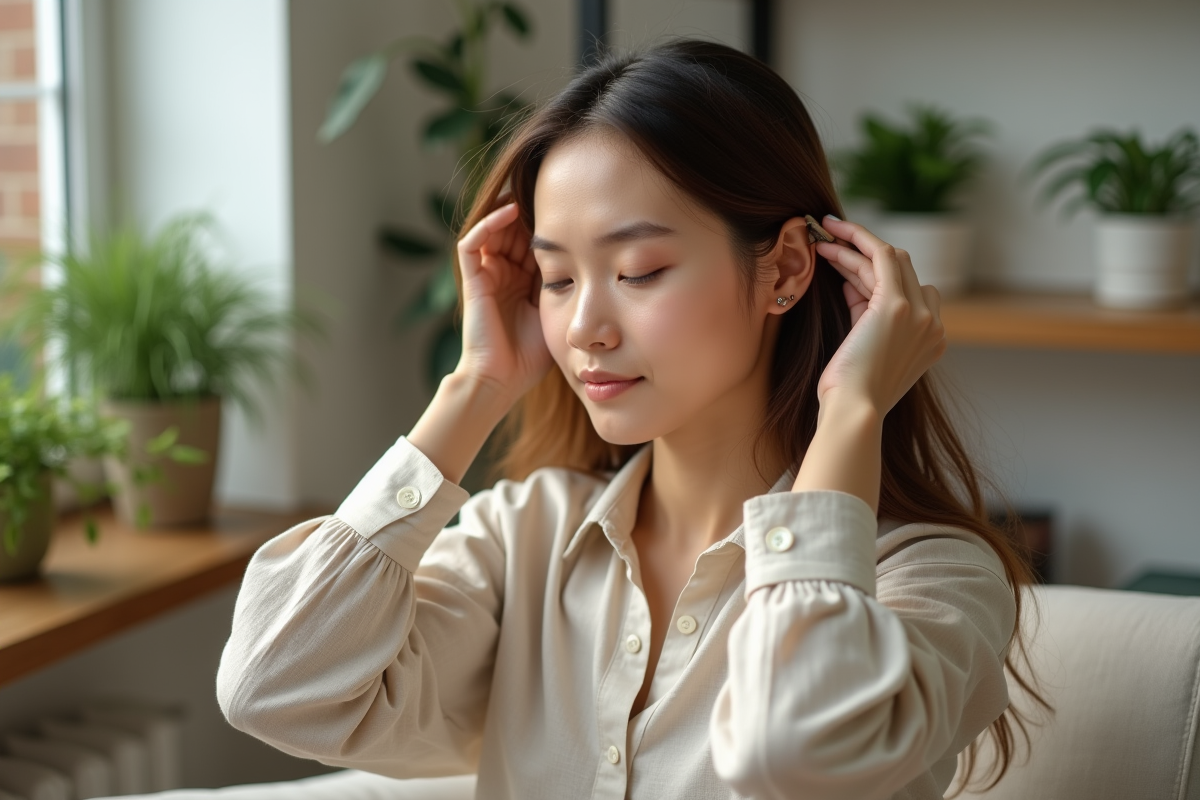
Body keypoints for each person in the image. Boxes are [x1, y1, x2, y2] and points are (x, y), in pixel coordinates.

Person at [216, 39, 1043, 800]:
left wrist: (853, 411)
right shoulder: (524, 537)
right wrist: (475, 385)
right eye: (558, 278)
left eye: (640, 271)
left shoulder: (931, 578)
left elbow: (794, 748)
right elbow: (274, 686)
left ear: (785, 267)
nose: (583, 330)